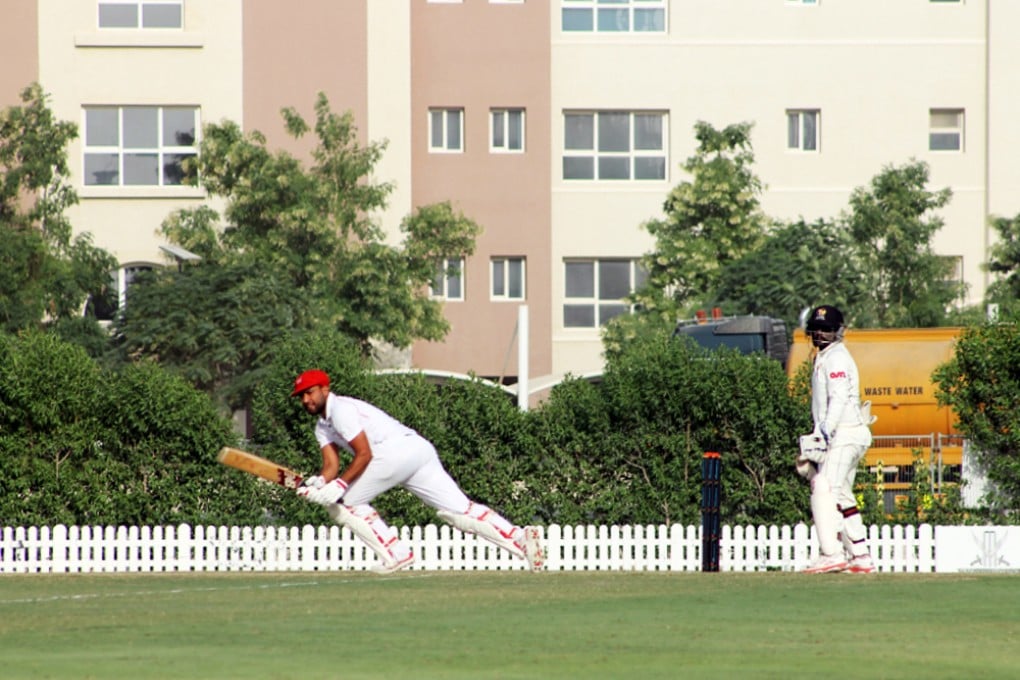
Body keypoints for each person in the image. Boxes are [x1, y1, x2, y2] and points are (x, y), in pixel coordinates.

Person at [289, 369, 545, 574]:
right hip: (418, 450)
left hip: (392, 453)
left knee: (345, 505)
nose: (305, 400)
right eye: (301, 396)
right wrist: (320, 483)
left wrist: (339, 488)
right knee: (459, 511)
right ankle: (521, 538)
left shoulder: (342, 410)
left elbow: (364, 454)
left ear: (325, 389)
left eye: (309, 393)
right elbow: (331, 466)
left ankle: (396, 554)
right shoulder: (322, 426)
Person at [798, 305, 876, 574]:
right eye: (817, 329)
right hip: (845, 434)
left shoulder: (837, 358)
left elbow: (839, 398)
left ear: (837, 332)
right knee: (841, 493)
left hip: (845, 432)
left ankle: (830, 553)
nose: (821, 334)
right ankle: (861, 555)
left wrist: (824, 433)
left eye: (827, 330)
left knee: (824, 487)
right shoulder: (825, 357)